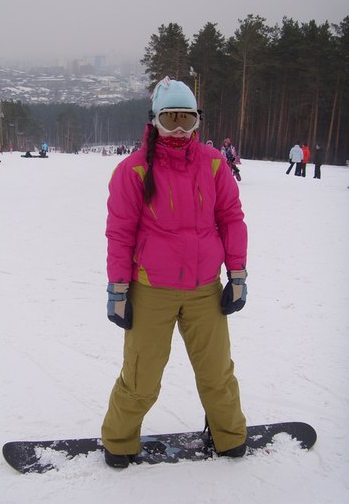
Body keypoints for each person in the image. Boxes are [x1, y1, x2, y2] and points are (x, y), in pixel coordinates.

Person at [101, 77, 248, 468]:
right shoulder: (133, 171)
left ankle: (229, 435)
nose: (180, 130)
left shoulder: (213, 164)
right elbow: (120, 233)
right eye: (171, 120)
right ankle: (119, 440)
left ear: (198, 120)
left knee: (217, 372)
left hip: (205, 289)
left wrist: (237, 276)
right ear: (154, 121)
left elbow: (231, 219)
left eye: (187, 120)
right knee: (141, 377)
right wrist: (118, 290)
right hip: (152, 290)